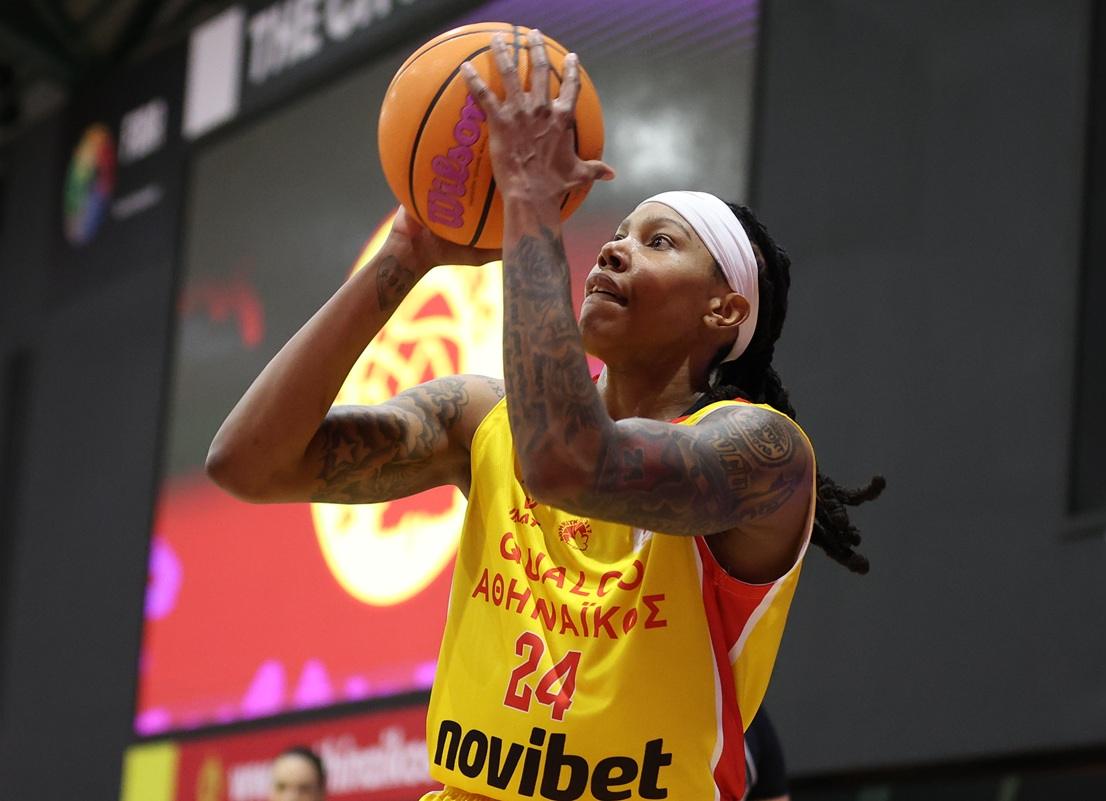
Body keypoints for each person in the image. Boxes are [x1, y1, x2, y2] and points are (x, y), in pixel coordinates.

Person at [207, 31, 882, 801]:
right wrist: (404, 257)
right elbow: (247, 463)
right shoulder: (479, 420)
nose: (614, 252)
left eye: (659, 242)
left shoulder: (763, 453)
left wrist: (528, 199)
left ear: (724, 309)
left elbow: (570, 462)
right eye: (615, 236)